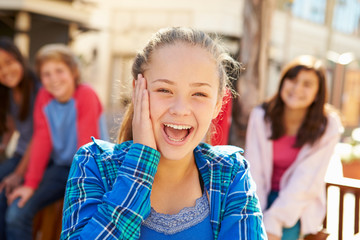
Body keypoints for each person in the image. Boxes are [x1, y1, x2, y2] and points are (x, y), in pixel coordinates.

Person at [61, 27, 266, 240]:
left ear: (218, 104)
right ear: (137, 91)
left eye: (199, 93)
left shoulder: (230, 173)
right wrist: (140, 164)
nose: (180, 109)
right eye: (164, 90)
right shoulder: (94, 164)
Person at [5, 43, 109, 240]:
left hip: (92, 170)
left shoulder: (85, 94)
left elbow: (86, 147)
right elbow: (42, 140)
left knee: (79, 223)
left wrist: (81, 192)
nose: (53, 80)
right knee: (17, 211)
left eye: (59, 71)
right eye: (46, 74)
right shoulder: (44, 97)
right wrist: (31, 184)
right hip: (62, 168)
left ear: (74, 72)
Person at [245, 55, 343, 240]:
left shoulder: (328, 125)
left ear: (318, 93)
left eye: (307, 84)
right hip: (258, 197)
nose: (297, 88)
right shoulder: (261, 116)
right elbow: (254, 170)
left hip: (297, 204)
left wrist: (274, 221)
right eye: (293, 79)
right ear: (283, 82)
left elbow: (307, 181)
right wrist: (255, 215)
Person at [0, 37, 41, 239]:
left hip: (39, 159)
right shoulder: (8, 92)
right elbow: (10, 125)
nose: (5, 71)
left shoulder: (38, 89)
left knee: (12, 202)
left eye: (9, 62)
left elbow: (39, 137)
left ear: (20, 59)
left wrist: (17, 173)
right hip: (20, 154)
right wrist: (3, 145)